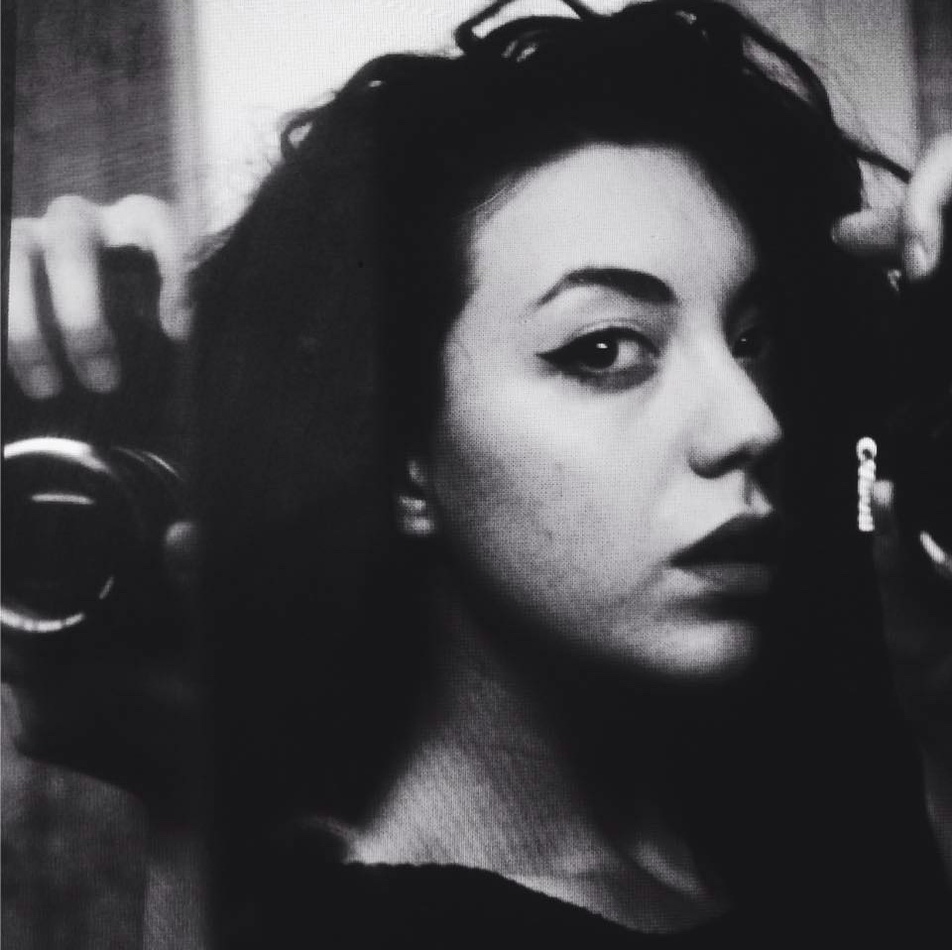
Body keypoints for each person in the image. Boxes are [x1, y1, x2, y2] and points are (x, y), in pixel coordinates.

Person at [6, 1, 952, 946]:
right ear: (402, 458)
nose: (752, 424)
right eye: (604, 348)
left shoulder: (846, 816)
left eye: (751, 340)